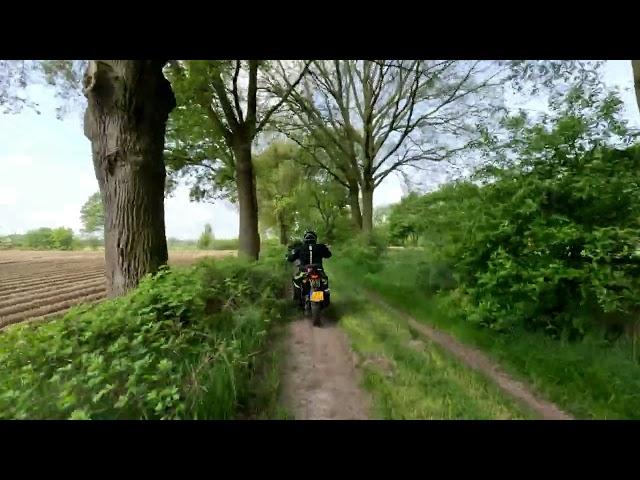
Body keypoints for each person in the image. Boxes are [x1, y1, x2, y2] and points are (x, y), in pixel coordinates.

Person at [287, 230, 332, 308]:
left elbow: (291, 259)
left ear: (305, 239)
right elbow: (328, 255)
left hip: (304, 270)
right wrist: (325, 249)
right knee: (325, 281)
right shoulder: (320, 246)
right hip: (318, 270)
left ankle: (298, 301)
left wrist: (288, 256)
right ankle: (326, 298)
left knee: (296, 280)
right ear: (315, 239)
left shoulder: (300, 248)